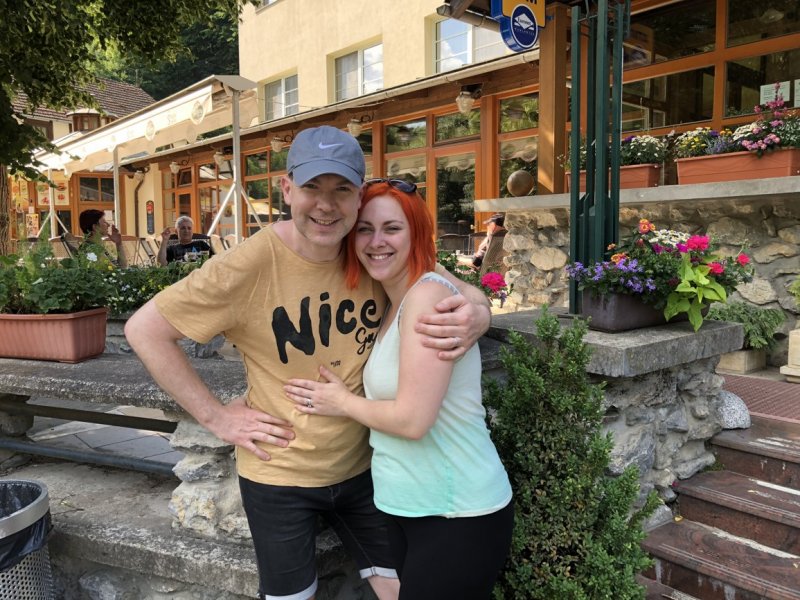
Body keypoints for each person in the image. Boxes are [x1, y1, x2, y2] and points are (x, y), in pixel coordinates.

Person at [124, 125, 491, 600]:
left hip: (365, 468)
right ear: (287, 189)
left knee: (401, 587)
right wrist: (216, 417)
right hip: (280, 475)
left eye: (341, 190)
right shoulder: (249, 264)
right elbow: (144, 330)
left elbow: (455, 288)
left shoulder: (370, 249)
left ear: (359, 196)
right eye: (312, 187)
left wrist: (478, 315)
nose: (326, 204)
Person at [285, 180, 513, 599]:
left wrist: (341, 402)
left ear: (416, 234)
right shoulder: (395, 298)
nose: (376, 242)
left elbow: (412, 420)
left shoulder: (426, 297)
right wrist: (481, 307)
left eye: (392, 228)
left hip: (455, 510)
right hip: (408, 505)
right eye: (365, 229)